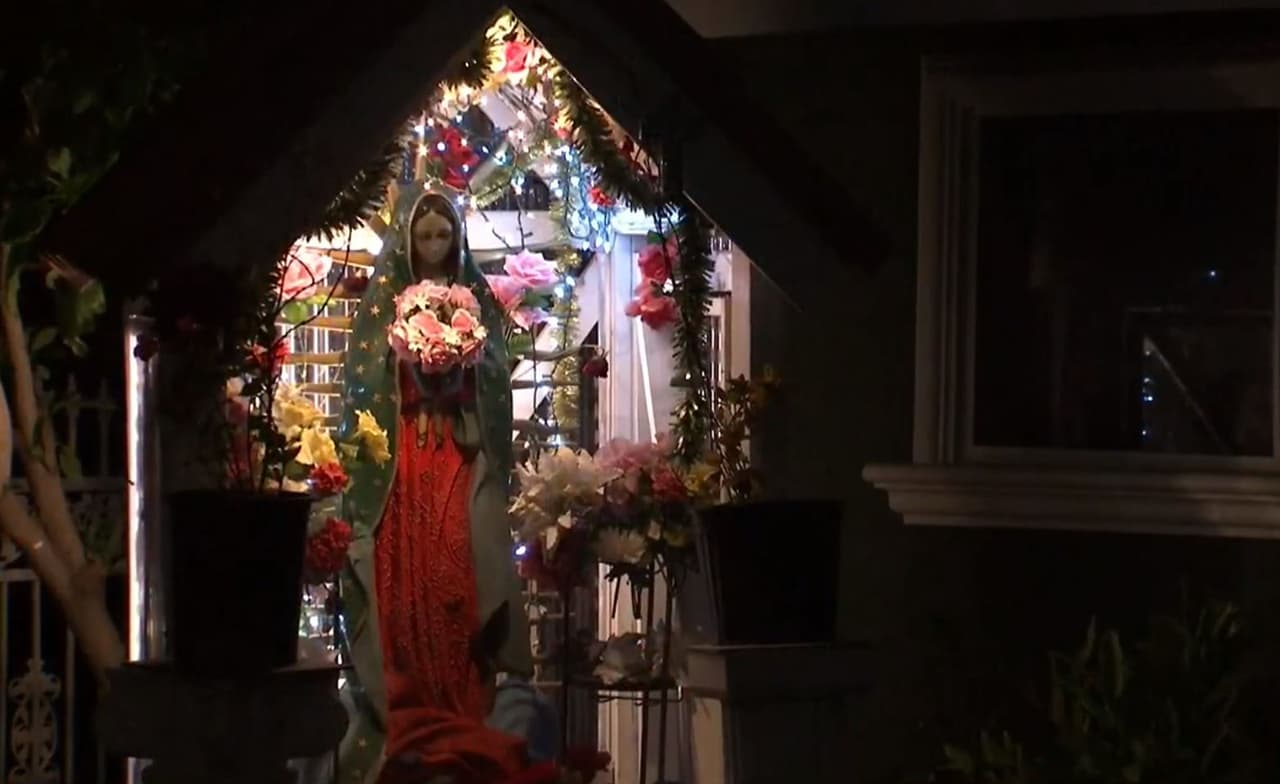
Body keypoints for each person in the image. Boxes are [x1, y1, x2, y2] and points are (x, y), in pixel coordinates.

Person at [336, 186, 534, 784]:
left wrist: (462, 363)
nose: (432, 246)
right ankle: (405, 705)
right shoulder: (382, 311)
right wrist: (409, 365)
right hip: (402, 463)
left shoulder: (474, 302)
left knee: (457, 573)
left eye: (442, 236)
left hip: (453, 451)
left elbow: (496, 380)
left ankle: (460, 703)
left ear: (456, 240)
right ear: (406, 240)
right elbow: (364, 385)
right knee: (404, 585)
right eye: (422, 236)